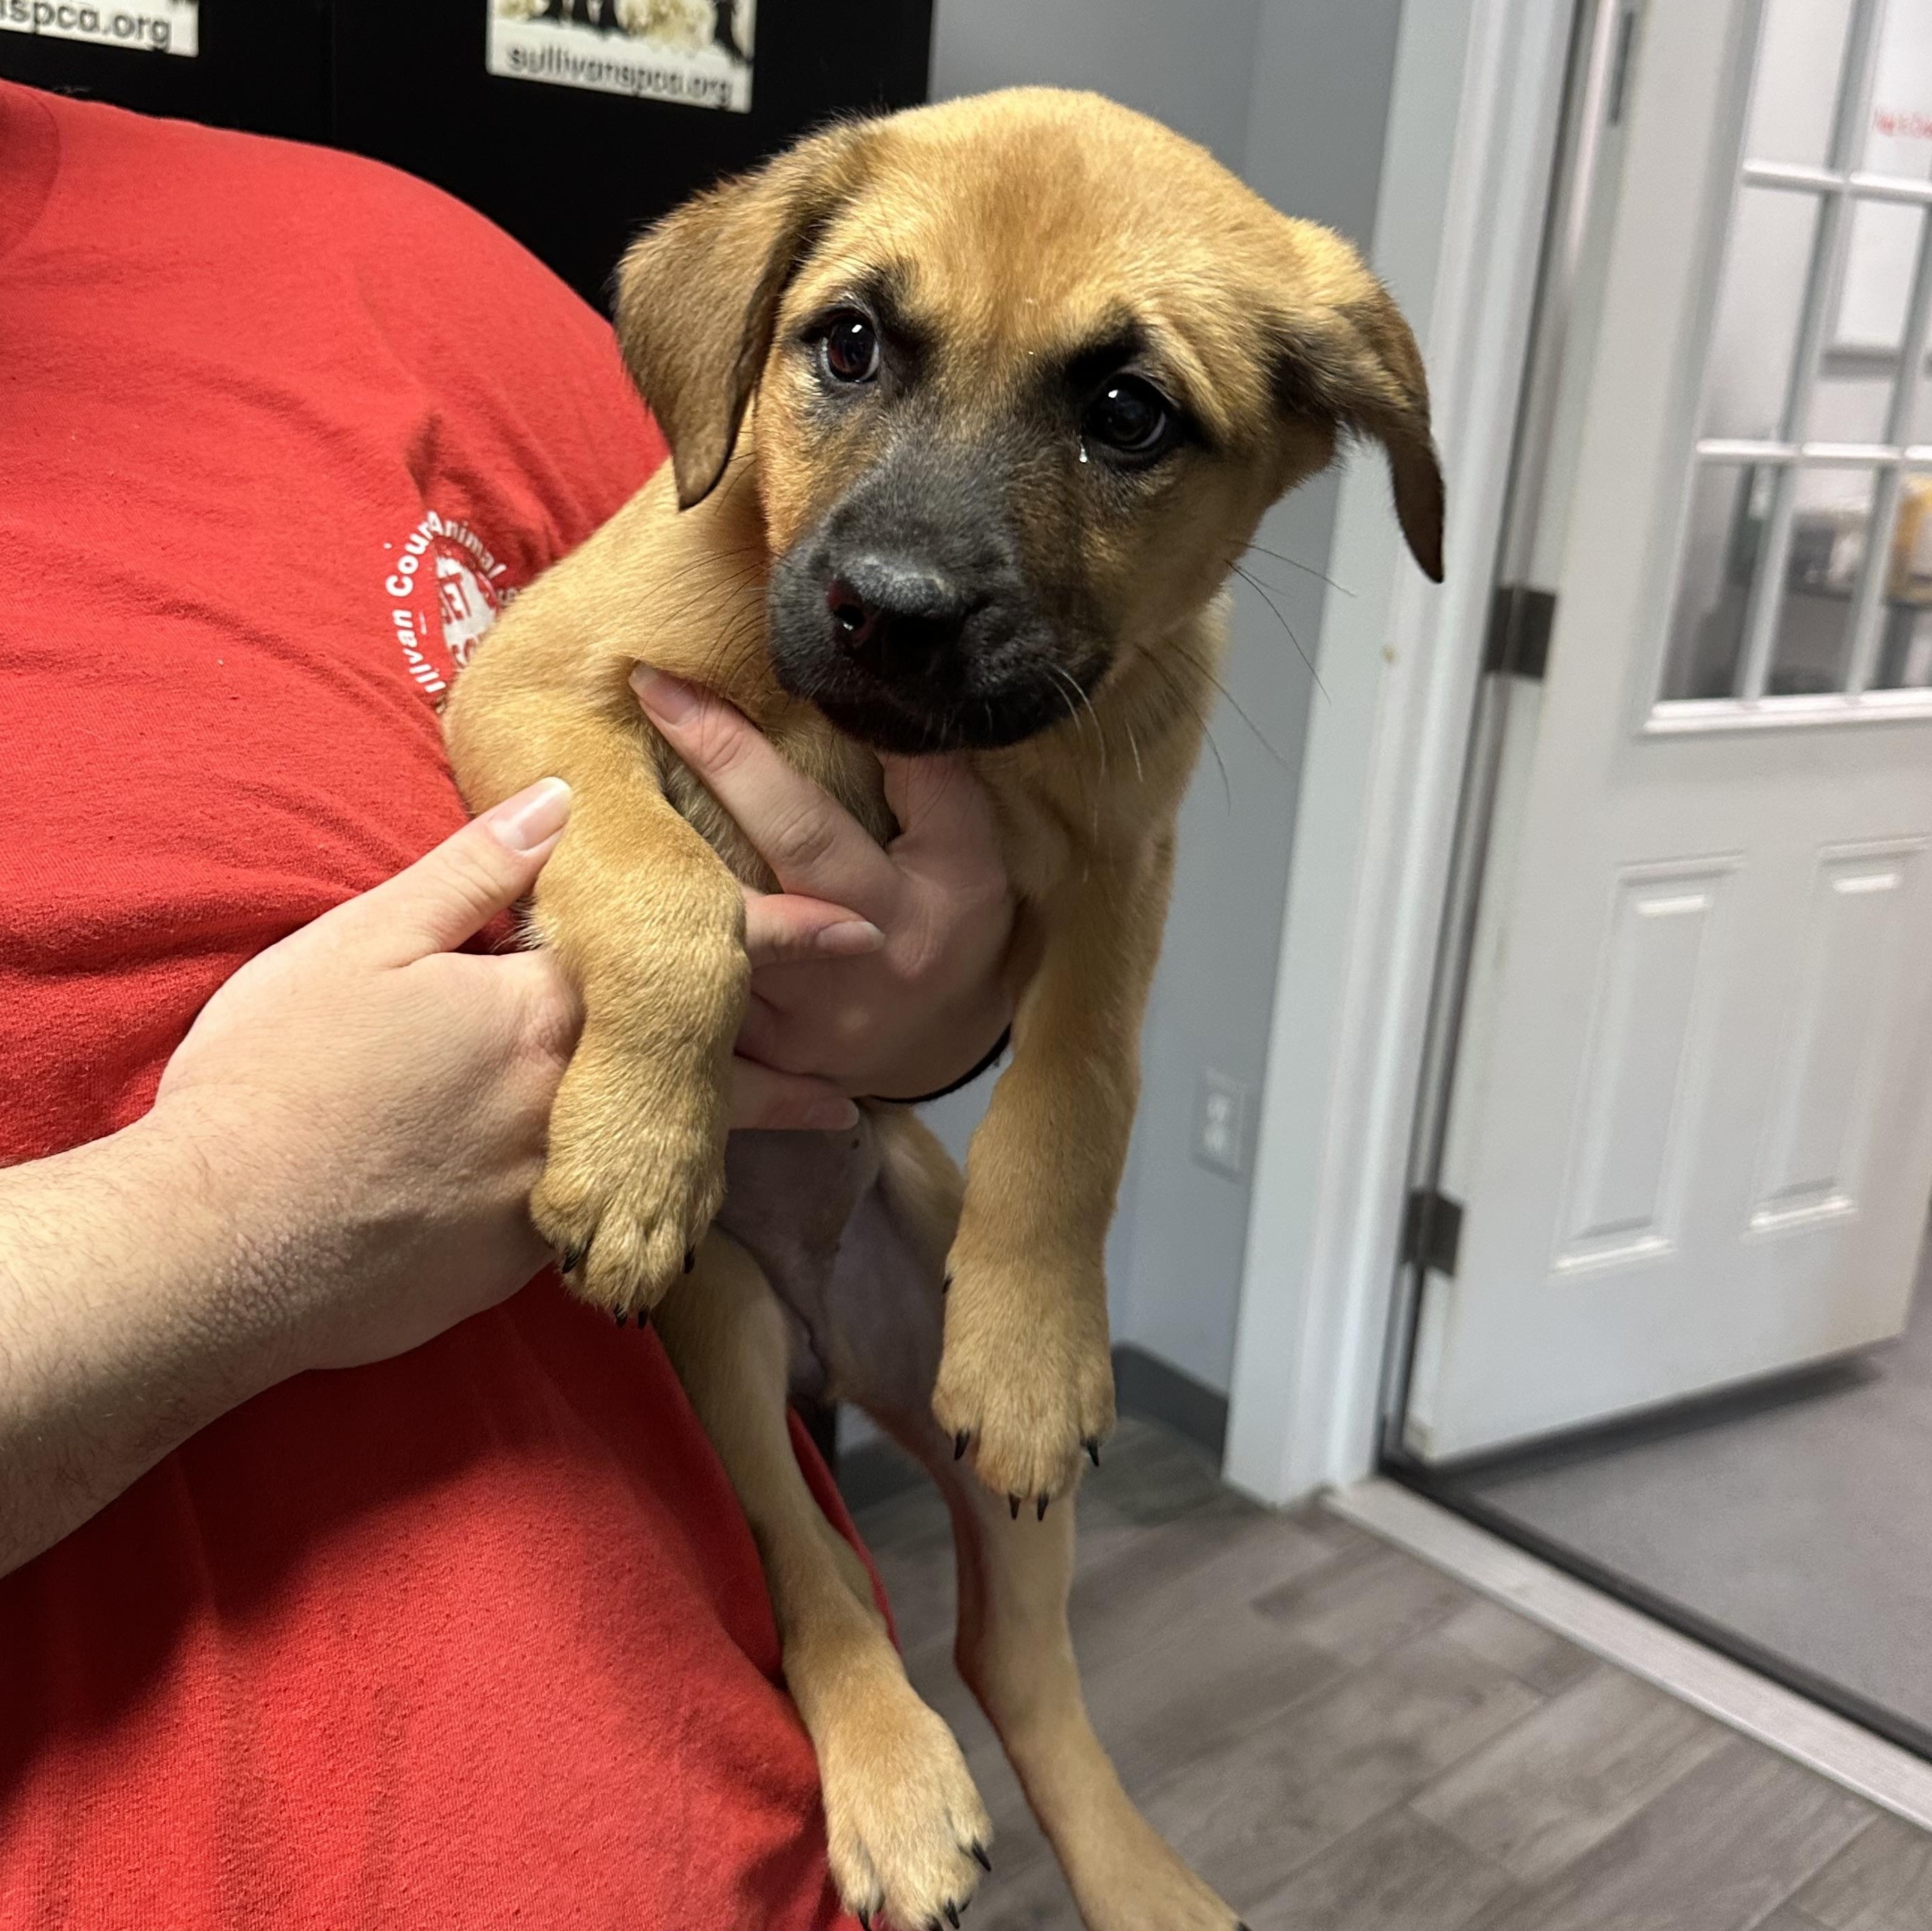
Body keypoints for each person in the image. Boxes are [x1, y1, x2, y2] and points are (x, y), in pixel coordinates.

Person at [0, 77, 1011, 1929]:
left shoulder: (388, 265)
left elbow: (863, 905)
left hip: (762, 1830)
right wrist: (224, 1226)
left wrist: (923, 1006)